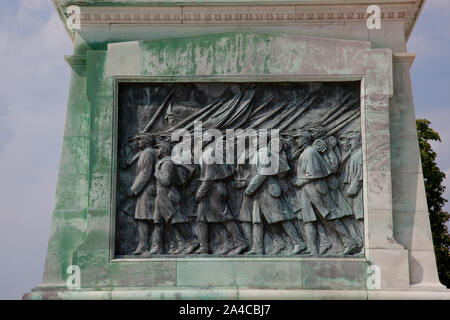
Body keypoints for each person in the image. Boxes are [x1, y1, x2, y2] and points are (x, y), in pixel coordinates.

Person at [292, 131, 357, 255]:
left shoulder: (310, 152)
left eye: (298, 138)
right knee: (308, 220)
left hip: (315, 189)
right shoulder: (305, 152)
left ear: (305, 139)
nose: (296, 140)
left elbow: (316, 174)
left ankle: (349, 242)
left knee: (330, 216)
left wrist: (300, 181)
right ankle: (311, 249)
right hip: (307, 190)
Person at [244, 139, 307, 255]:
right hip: (261, 191)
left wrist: (250, 189)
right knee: (258, 220)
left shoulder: (264, 153)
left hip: (268, 189)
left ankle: (299, 242)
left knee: (281, 218)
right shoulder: (260, 153)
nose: (253, 142)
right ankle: (261, 246)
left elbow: (263, 173)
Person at [195, 140, 249, 255]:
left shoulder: (209, 154)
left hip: (213, 190)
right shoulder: (213, 154)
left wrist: (200, 193)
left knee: (225, 217)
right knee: (201, 219)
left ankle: (241, 243)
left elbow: (208, 177)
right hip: (216, 189)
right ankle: (205, 247)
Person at [149, 141, 198, 255]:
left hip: (167, 194)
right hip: (160, 194)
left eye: (158, 148)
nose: (156, 150)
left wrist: (156, 173)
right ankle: (169, 245)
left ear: (164, 150)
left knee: (176, 220)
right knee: (159, 221)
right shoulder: (161, 162)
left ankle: (192, 241)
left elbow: (166, 181)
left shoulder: (167, 163)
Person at [128, 134, 158, 255]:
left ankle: (147, 245)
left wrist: (134, 189)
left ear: (146, 141)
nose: (139, 142)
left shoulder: (148, 153)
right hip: (145, 189)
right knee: (143, 217)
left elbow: (146, 173)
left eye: (140, 140)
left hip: (147, 189)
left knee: (145, 217)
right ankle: (144, 244)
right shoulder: (145, 153)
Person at [346, 132, 364, 243]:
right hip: (357, 191)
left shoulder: (358, 156)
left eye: (352, 140)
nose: (349, 143)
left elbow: (359, 177)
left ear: (360, 141)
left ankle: (363, 243)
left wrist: (351, 191)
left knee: (360, 218)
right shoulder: (356, 154)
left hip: (358, 192)